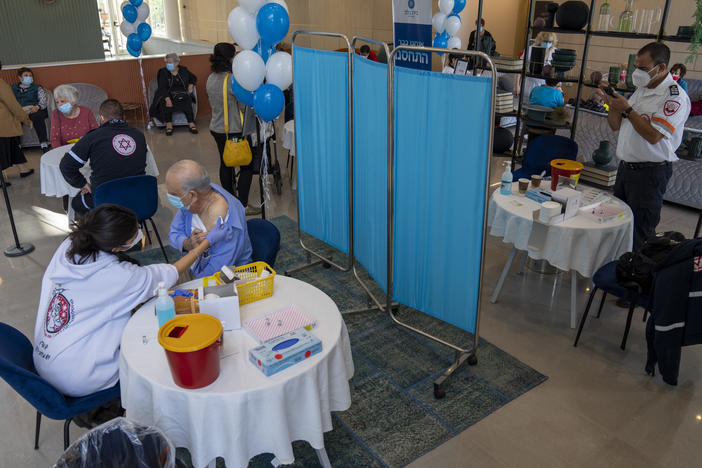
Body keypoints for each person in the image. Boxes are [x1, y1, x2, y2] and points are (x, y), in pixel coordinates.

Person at [32, 203, 221, 398]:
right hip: (78, 375)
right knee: (155, 354)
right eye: (134, 232)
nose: (139, 233)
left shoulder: (70, 245)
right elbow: (166, 275)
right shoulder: (117, 276)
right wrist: (202, 247)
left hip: (45, 359)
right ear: (116, 246)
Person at [598, 42, 691, 251]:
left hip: (650, 173)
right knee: (617, 224)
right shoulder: (641, 90)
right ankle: (617, 269)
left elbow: (654, 135)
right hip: (626, 169)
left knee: (640, 231)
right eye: (636, 67)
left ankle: (635, 279)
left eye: (642, 68)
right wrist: (612, 105)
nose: (637, 72)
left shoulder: (674, 97)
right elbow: (615, 126)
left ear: (660, 67)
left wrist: (628, 109)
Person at [166, 159, 253, 278]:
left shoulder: (225, 220)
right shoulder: (191, 201)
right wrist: (188, 243)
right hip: (196, 267)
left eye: (174, 195)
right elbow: (173, 234)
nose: (170, 198)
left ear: (192, 195)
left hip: (227, 278)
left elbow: (215, 273)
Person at [59, 99, 147, 215]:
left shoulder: (93, 137)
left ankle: (99, 230)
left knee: (77, 203)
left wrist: (82, 183)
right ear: (124, 117)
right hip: (138, 196)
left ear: (100, 118)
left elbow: (66, 165)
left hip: (106, 198)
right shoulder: (139, 135)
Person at [206, 43, 259, 215]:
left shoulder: (211, 78)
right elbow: (245, 104)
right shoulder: (232, 80)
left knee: (225, 164)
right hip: (233, 130)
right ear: (231, 58)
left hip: (217, 127)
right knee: (247, 165)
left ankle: (228, 201)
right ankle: (242, 205)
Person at [0, 60, 34, 180]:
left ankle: (23, 169)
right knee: (3, 149)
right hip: (3, 125)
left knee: (12, 145)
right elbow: (13, 105)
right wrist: (26, 120)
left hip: (3, 127)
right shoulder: (1, 84)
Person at [149, 53, 198, 136]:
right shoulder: (163, 72)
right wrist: (167, 98)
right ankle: (169, 124)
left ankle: (191, 122)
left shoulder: (183, 70)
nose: (168, 64)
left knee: (187, 98)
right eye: (167, 62)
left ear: (176, 63)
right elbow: (162, 88)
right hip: (167, 93)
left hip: (182, 92)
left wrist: (191, 85)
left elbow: (193, 77)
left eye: (170, 62)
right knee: (165, 102)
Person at [11, 67, 50, 151]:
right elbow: (10, 101)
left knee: (37, 116)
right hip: (20, 110)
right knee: (14, 119)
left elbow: (43, 100)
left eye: (30, 75)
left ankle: (44, 144)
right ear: (20, 77)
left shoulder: (37, 87)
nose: (29, 77)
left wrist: (37, 106)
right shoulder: (13, 88)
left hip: (35, 109)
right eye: (26, 75)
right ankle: (17, 146)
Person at [50, 84, 98, 148]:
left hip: (86, 148)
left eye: (62, 101)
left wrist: (87, 140)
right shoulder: (56, 114)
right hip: (64, 150)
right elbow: (55, 138)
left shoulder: (87, 112)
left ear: (73, 100)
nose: (59, 105)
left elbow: (95, 133)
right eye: (57, 102)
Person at [518, 31, 558, 98]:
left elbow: (557, 71)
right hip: (530, 83)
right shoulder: (530, 49)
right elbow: (519, 67)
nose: (547, 44)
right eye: (545, 41)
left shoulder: (555, 51)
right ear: (540, 40)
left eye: (550, 42)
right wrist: (517, 85)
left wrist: (558, 86)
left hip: (546, 86)